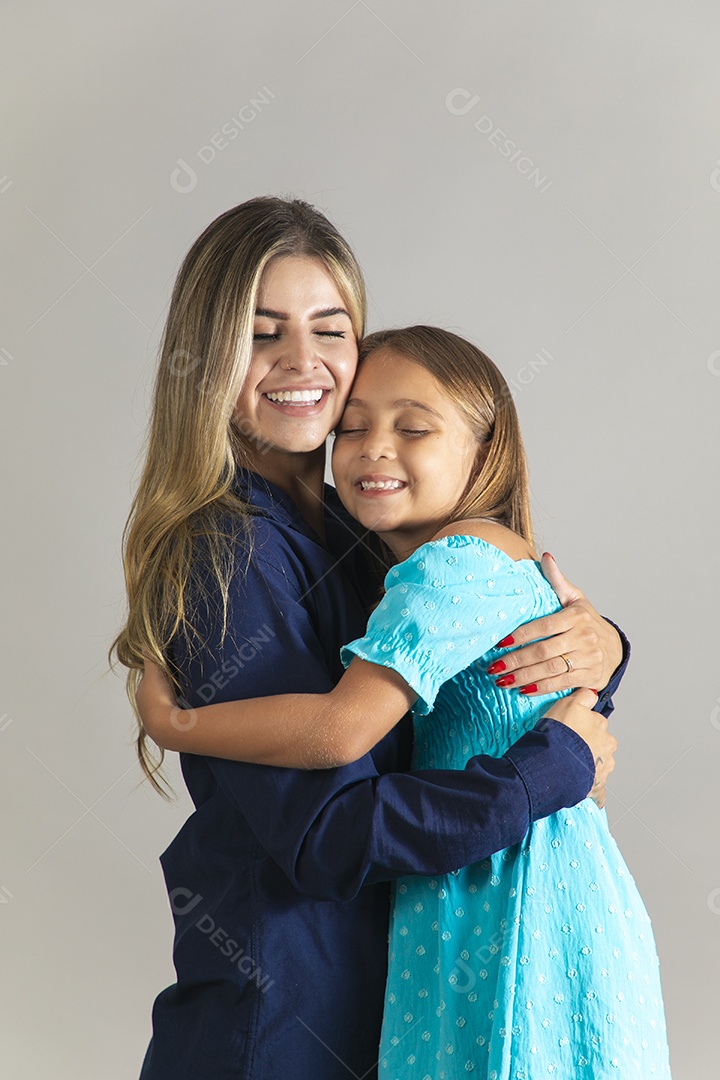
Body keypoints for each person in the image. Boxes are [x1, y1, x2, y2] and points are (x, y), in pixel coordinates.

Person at [113, 196, 627, 1080]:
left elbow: (471, 662)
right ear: (204, 359)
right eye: (262, 332)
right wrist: (549, 773)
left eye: (330, 329)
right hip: (280, 1023)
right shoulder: (226, 550)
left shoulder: (364, 530)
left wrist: (601, 646)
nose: (301, 363)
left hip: (390, 1012)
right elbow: (331, 837)